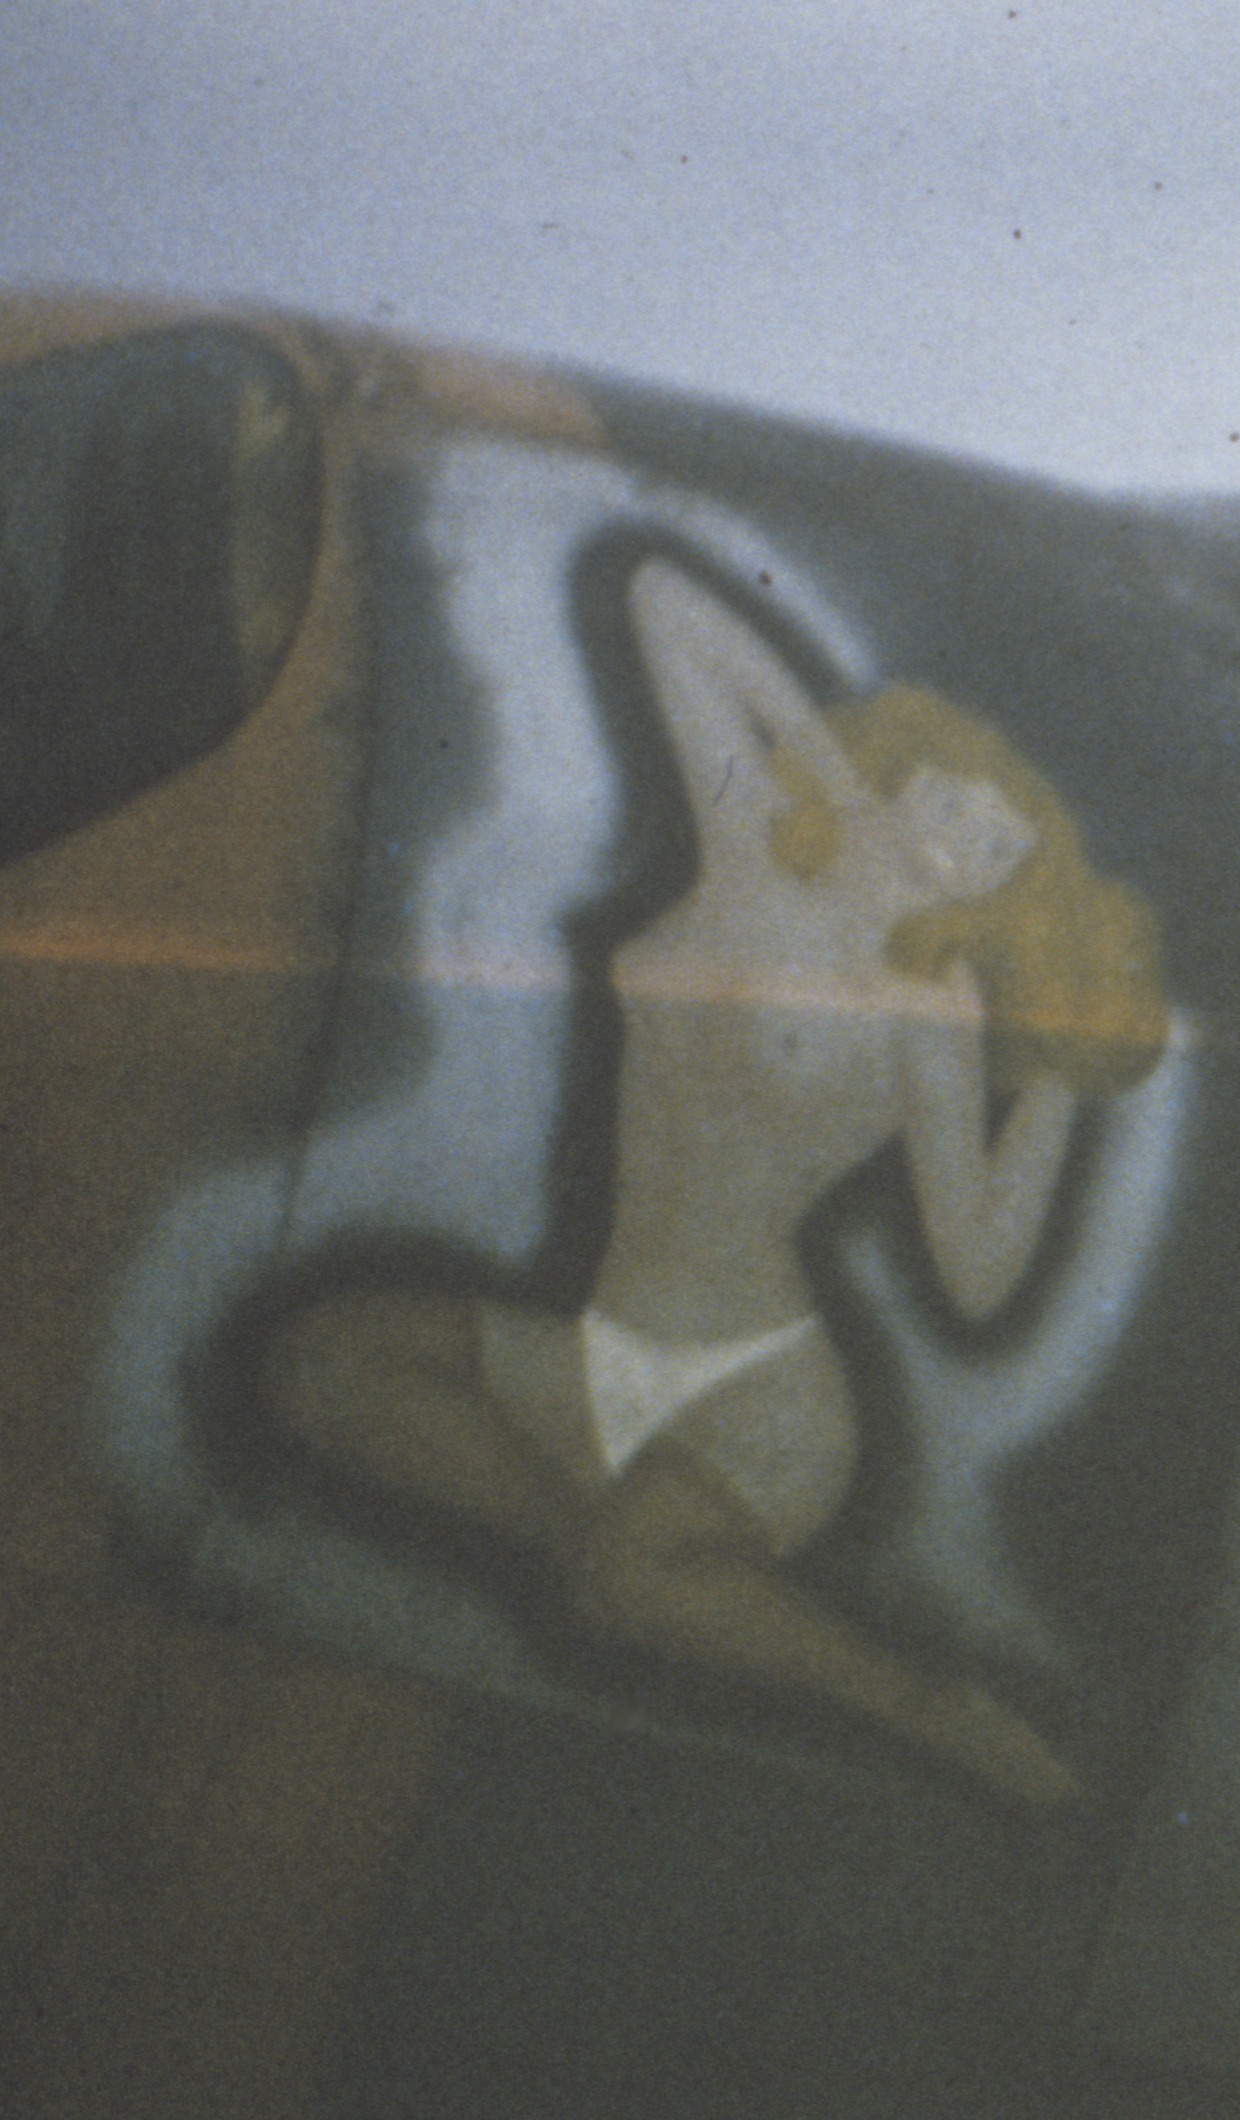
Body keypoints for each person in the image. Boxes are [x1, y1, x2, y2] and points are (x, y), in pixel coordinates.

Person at [268, 545, 1171, 1807]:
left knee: (623, 1587)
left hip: (760, 1395)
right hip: (598, 1349)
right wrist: (820, 766)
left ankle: (921, 1704)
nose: (966, 844)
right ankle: (619, 1553)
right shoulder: (753, 832)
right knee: (322, 1369)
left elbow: (974, 1270)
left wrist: (1063, 1087)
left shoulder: (933, 1007)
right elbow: (665, 607)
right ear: (905, 772)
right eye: (959, 802)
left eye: (1001, 851)